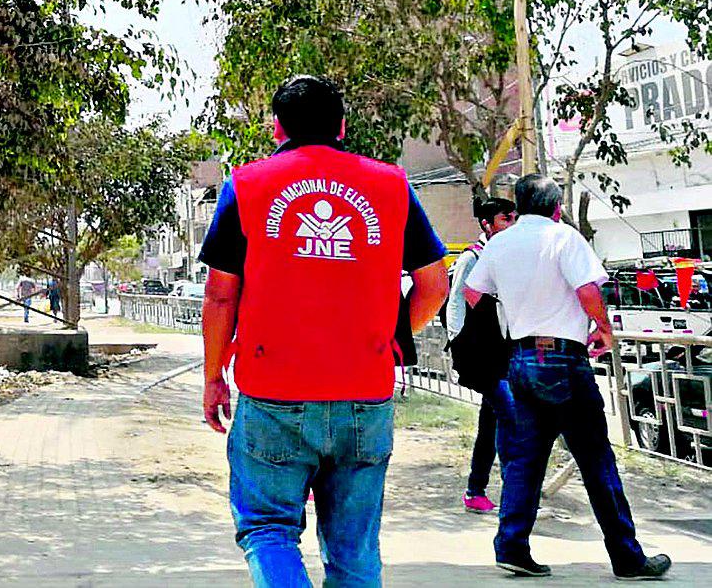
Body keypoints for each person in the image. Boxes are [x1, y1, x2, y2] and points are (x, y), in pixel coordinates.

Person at [199, 74, 450, 587]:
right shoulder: (392, 185)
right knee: (354, 552)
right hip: (365, 394)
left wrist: (213, 377)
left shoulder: (246, 186)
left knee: (268, 530)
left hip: (273, 392)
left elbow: (221, 294)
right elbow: (434, 284)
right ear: (342, 125)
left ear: (276, 128)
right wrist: (392, 340)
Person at [464, 175, 672, 579]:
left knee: (525, 459)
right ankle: (627, 556)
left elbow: (474, 294)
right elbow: (588, 290)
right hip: (563, 358)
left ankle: (512, 545)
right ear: (557, 206)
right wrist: (604, 329)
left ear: (520, 206)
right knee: (596, 458)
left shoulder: (499, 243)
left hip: (521, 358)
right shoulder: (564, 237)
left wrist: (514, 307)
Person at [447, 196, 518, 514]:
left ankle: (475, 491)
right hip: (479, 357)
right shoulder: (471, 259)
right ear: (486, 224)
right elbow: (455, 305)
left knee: (490, 424)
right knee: (511, 415)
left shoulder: (504, 256)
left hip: (500, 353)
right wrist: (457, 347)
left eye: (513, 218)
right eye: (505, 219)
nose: (511, 225)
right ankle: (517, 491)